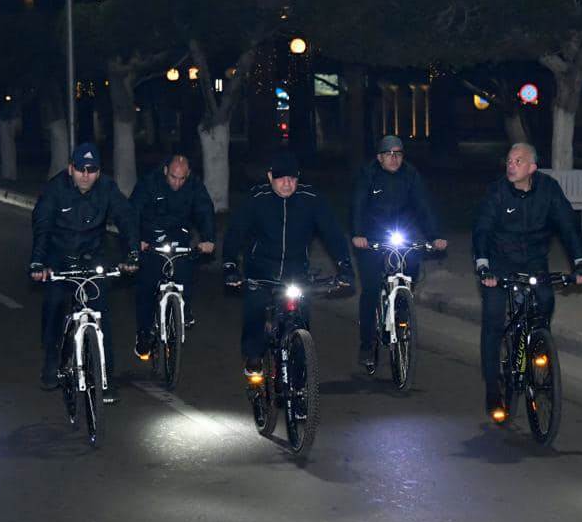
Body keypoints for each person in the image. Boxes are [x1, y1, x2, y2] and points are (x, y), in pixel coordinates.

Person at [472, 143, 582, 420]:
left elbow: (568, 226)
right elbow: (482, 229)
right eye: (509, 161)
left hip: (534, 262)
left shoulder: (548, 190)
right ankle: (493, 389)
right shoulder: (497, 192)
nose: (511, 166)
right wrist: (483, 266)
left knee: (545, 301)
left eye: (518, 161)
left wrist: (580, 261)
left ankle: (537, 345)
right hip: (499, 264)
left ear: (532, 168)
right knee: (493, 320)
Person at [222, 151, 355, 377]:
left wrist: (345, 266)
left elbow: (332, 233)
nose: (287, 184)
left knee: (302, 317)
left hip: (296, 271)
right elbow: (235, 233)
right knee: (255, 308)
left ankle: (300, 369)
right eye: (281, 178)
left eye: (292, 178)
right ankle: (254, 355)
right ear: (270, 176)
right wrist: (230, 265)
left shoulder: (311, 199)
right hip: (261, 270)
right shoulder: (256, 199)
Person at [29, 142, 139, 402]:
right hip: (59, 257)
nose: (86, 175)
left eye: (91, 170)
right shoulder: (55, 189)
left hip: (92, 256)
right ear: (71, 169)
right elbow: (42, 225)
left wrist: (133, 252)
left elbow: (126, 217)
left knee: (101, 314)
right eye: (80, 169)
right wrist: (38, 262)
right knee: (54, 304)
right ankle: (51, 361)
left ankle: (105, 378)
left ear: (98, 172)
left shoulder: (107, 188)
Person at [350, 134, 447, 369]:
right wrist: (358, 234)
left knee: (410, 269)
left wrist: (435, 236)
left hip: (402, 233)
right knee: (371, 288)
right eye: (389, 154)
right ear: (379, 158)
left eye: (398, 154)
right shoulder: (368, 175)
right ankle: (367, 345)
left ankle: (402, 310)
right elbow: (358, 205)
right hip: (372, 237)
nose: (394, 159)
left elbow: (423, 206)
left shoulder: (411, 175)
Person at [129, 154, 215, 359]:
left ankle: (184, 309)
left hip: (179, 237)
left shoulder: (194, 186)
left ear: (188, 174)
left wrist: (208, 239)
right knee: (146, 286)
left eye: (182, 178)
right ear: (166, 170)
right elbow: (133, 211)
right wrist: (136, 240)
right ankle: (143, 333)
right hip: (151, 239)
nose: (177, 183)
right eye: (173, 177)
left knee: (186, 271)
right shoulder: (149, 183)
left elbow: (204, 211)